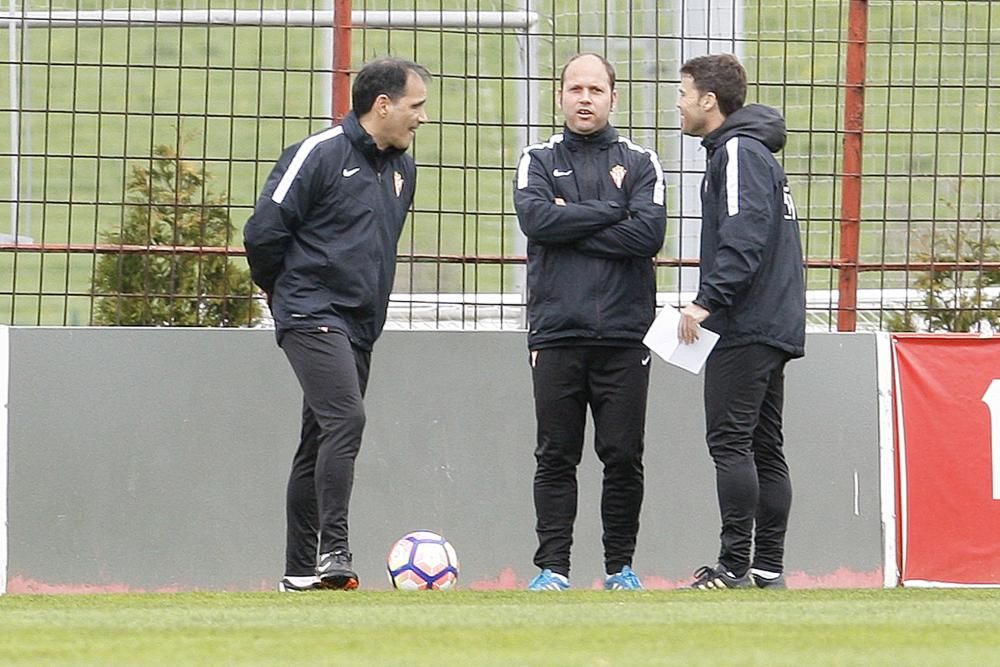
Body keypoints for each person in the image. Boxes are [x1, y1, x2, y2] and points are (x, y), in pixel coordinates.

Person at [243, 57, 430, 592]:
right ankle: (335, 551)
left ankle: (299, 572)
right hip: (309, 311)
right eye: (416, 107)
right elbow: (263, 232)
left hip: (360, 323)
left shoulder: (402, 170)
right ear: (383, 105)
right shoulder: (319, 154)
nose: (421, 119)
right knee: (347, 419)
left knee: (319, 437)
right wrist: (284, 291)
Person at [513, 53, 666, 591]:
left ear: (612, 98)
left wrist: (568, 219)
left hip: (625, 334)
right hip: (557, 331)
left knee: (622, 456)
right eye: (575, 88)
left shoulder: (642, 161)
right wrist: (611, 210)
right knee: (556, 454)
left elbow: (647, 236)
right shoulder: (536, 158)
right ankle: (552, 569)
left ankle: (619, 567)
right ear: (559, 96)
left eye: (595, 89)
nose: (584, 98)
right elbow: (536, 220)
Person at [675, 54, 806, 590]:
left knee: (731, 442)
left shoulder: (734, 153)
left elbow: (745, 235)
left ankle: (732, 565)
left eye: (683, 94)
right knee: (764, 444)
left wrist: (707, 301)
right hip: (774, 320)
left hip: (745, 322)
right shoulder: (754, 151)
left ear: (709, 100)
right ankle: (767, 566)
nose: (678, 105)